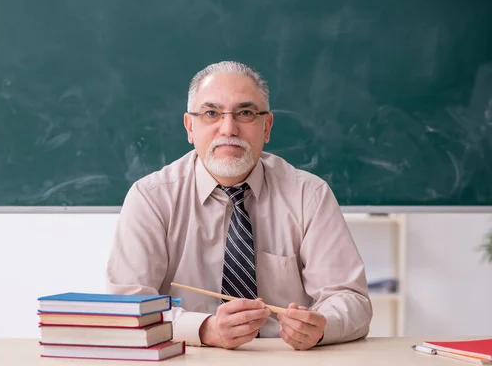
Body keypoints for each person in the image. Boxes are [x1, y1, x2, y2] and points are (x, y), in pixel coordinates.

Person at [106, 61, 372, 350]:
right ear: (190, 127)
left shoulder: (309, 194)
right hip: (188, 357)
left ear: (266, 126)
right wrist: (203, 329)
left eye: (245, 113)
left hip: (285, 357)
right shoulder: (151, 197)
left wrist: (321, 326)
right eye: (211, 113)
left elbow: (352, 300)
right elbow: (127, 307)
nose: (228, 128)